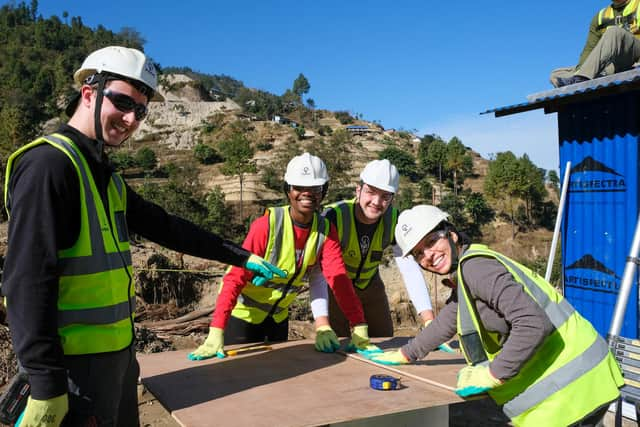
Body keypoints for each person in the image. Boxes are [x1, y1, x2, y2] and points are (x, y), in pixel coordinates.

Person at [1, 46, 286, 427]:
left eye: (141, 110)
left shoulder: (105, 176)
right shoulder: (49, 167)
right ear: (89, 93)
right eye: (122, 102)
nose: (132, 119)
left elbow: (168, 227)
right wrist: (45, 382)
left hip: (116, 361)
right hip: (71, 372)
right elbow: (25, 282)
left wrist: (241, 256)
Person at [368, 205, 624, 427]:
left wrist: (493, 373)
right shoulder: (467, 273)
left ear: (451, 234)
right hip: (574, 382)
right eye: (419, 254)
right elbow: (450, 318)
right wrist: (407, 353)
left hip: (575, 383)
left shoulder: (476, 268)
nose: (428, 256)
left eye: (431, 242)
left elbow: (533, 324)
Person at [188, 152, 379, 360]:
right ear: (288, 190)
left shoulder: (326, 230)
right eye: (299, 187)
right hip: (243, 319)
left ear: (323, 191)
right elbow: (234, 278)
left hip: (279, 320)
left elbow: (338, 278)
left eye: (314, 189)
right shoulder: (266, 226)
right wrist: (217, 329)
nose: (307, 194)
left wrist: (358, 325)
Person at [311, 160, 449, 349]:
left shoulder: (395, 221)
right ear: (358, 190)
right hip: (336, 287)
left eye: (385, 196)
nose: (376, 202)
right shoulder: (334, 216)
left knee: (384, 340)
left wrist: (428, 320)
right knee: (337, 345)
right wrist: (322, 325)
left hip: (370, 285)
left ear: (392, 198)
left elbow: (409, 269)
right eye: (370, 192)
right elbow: (318, 270)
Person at [551, 0, 640, 87]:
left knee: (614, 32)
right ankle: (590, 75)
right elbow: (589, 49)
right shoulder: (600, 17)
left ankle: (582, 79)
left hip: (635, 56)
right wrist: (579, 70)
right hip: (613, 64)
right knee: (556, 75)